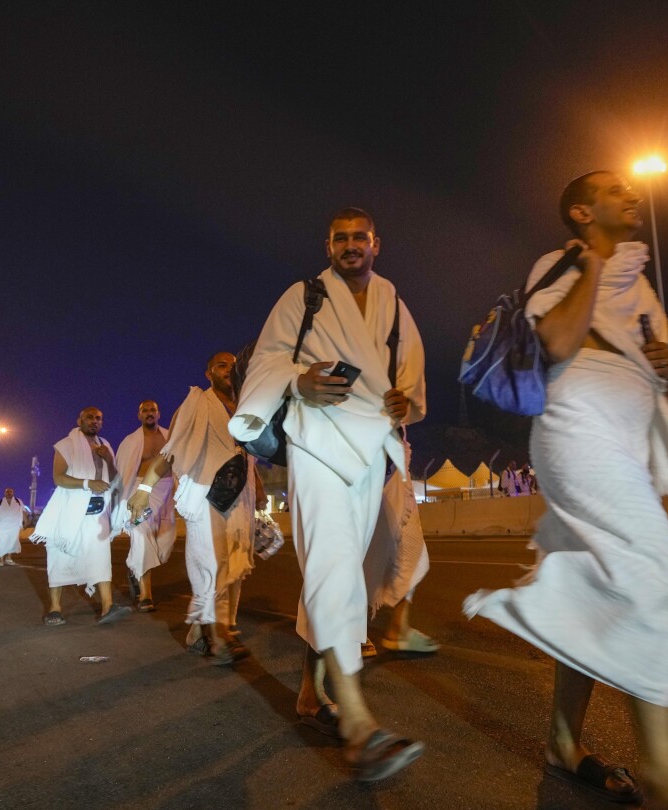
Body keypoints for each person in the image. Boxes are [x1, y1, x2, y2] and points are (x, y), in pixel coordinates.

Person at [466, 171, 668, 808]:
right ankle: (665, 771)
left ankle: (564, 743)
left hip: (628, 440)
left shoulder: (642, 280)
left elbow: (666, 365)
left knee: (596, 587)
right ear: (581, 211)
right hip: (577, 431)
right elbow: (556, 341)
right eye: (616, 189)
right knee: (658, 579)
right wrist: (594, 266)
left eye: (634, 187)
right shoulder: (562, 263)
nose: (632, 194)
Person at [230, 207, 427, 781]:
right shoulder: (304, 295)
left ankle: (310, 698)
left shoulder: (393, 301)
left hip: (371, 452)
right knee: (332, 567)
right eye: (340, 238)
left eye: (358, 237)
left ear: (376, 243)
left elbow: (408, 370)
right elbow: (268, 359)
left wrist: (403, 401)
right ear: (328, 245)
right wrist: (299, 380)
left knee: (344, 574)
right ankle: (361, 726)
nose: (349, 245)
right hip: (316, 443)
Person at [130, 353, 263, 663]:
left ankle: (201, 633)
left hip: (239, 495)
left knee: (234, 560)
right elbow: (171, 450)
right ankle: (220, 640)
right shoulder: (196, 404)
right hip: (206, 494)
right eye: (221, 365)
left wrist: (257, 485)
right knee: (212, 561)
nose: (229, 369)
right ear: (208, 373)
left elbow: (247, 451)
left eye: (233, 365)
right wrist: (144, 489)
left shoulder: (245, 405)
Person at [31, 407, 131, 626]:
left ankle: (108, 607)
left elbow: (114, 480)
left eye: (98, 418)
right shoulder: (65, 445)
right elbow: (59, 478)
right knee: (59, 558)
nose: (94, 421)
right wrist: (88, 484)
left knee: (101, 558)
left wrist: (109, 461)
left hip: (98, 511)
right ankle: (55, 609)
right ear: (79, 420)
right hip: (69, 510)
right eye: (89, 417)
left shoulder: (105, 446)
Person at [365, 433, 438, 656]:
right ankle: (350, 629)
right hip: (364, 455)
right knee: (364, 550)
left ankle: (398, 628)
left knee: (410, 550)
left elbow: (414, 407)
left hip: (394, 466)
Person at [111, 400, 177, 610]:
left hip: (167, 491)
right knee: (141, 533)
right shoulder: (130, 442)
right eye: (145, 410)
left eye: (153, 410)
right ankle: (145, 594)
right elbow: (122, 471)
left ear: (158, 414)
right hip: (139, 491)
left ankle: (134, 567)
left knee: (165, 543)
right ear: (139, 416)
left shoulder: (171, 437)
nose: (149, 413)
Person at [0, 488, 26, 566]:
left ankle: (9, 559)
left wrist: (26, 520)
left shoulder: (18, 501)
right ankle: (1, 560)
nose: (9, 493)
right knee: (2, 543)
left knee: (12, 542)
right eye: (7, 492)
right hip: (2, 526)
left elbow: (23, 511)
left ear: (13, 493)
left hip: (14, 526)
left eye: (11, 491)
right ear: (4, 493)